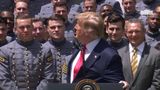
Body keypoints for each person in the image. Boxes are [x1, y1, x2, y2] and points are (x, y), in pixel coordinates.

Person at [67, 12, 124, 84]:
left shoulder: (109, 56)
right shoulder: (78, 49)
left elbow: (115, 86)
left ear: (89, 32)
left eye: (77, 28)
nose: (75, 30)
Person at [0, 14, 54, 90]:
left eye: (28, 27)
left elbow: (49, 77)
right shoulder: (4, 51)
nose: (25, 30)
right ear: (15, 29)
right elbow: (3, 79)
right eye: (21, 27)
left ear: (32, 28)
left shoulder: (45, 50)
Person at [118, 18, 160, 90]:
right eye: (130, 32)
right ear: (125, 33)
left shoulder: (156, 55)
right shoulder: (119, 54)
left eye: (137, 31)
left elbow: (157, 84)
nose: (134, 35)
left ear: (144, 31)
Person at [43, 15, 75, 83]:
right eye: (52, 27)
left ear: (65, 27)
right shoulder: (42, 50)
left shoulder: (74, 49)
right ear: (47, 29)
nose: (56, 30)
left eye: (59, 27)